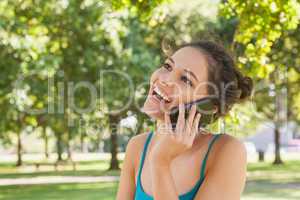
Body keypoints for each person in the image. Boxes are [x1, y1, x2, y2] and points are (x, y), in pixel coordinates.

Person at [116, 40, 253, 200]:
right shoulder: (137, 147)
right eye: (168, 66)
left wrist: (160, 162)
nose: (165, 79)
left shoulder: (227, 151)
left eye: (186, 80)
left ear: (209, 106)